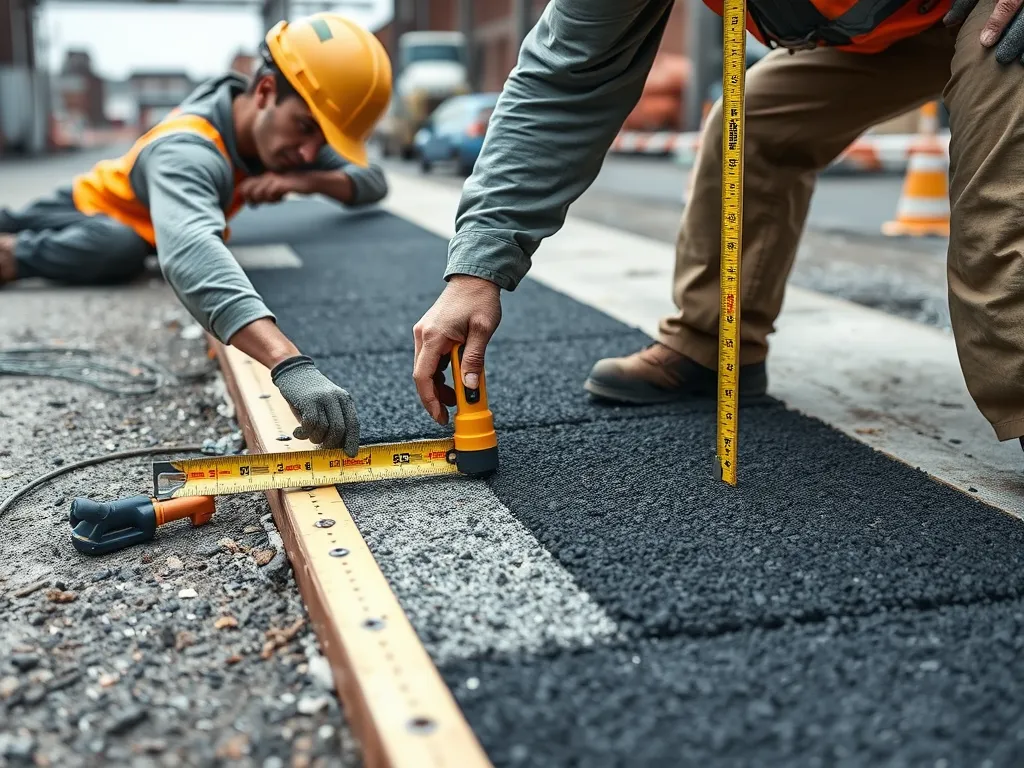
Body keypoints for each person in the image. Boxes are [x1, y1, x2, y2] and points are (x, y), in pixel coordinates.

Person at [411, 0, 1024, 450]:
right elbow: (563, 79)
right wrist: (477, 269)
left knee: (1001, 182)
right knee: (751, 120)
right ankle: (713, 347)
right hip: (888, 27)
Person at [1, 12, 393, 457]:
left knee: (132, 245)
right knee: (121, 246)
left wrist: (304, 181)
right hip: (89, 211)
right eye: (306, 129)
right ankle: (13, 255)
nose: (309, 152)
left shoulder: (285, 135)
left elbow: (373, 182)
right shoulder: (187, 148)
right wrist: (289, 364)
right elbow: (190, 249)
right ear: (265, 91)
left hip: (147, 229)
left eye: (323, 141)